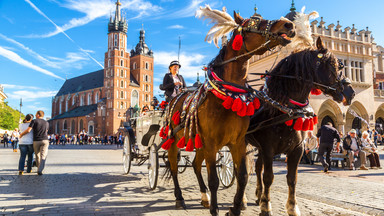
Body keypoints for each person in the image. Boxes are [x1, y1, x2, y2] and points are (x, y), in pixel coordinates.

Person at [19, 110, 49, 175]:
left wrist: (21, 134)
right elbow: (46, 131)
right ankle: (40, 169)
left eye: (36, 114)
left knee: (37, 155)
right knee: (43, 156)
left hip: (36, 140)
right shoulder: (46, 122)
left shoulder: (34, 121)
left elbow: (29, 130)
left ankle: (37, 168)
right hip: (45, 140)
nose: (35, 116)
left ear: (38, 115)